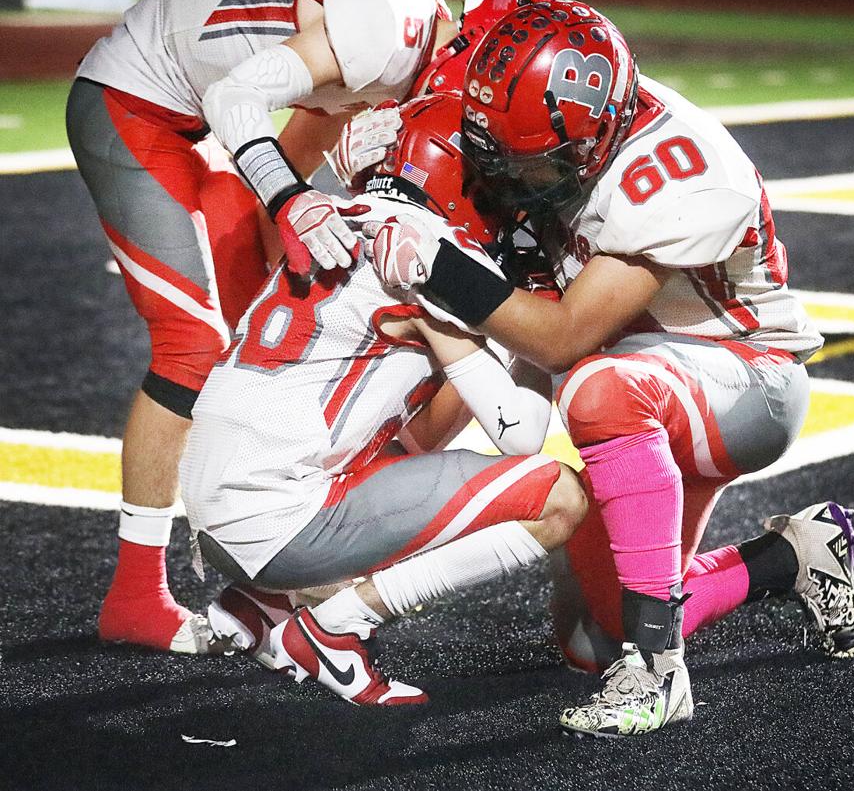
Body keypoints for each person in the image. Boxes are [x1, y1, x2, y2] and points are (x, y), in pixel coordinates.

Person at [360, 0, 854, 736]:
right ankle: (796, 553)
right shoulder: (553, 115)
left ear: (594, 139)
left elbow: (563, 337)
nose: (512, 180)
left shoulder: (678, 172)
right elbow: (454, 21)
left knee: (597, 390)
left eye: (530, 164)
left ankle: (662, 674)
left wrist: (438, 266)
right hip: (644, 371)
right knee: (591, 638)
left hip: (745, 377)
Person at [65, 0, 529, 655]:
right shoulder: (386, 30)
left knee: (263, 329)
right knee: (192, 346)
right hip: (136, 99)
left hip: (204, 122)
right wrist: (295, 200)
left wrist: (306, 217)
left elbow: (289, 166)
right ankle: (134, 594)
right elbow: (235, 101)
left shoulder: (400, 61)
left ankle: (266, 548)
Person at [180, 94, 587, 705]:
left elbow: (421, 437)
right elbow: (523, 435)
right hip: (277, 519)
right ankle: (337, 626)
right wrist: (538, 339)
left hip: (216, 511)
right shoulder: (429, 252)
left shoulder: (338, 212)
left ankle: (262, 602)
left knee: (399, 449)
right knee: (558, 497)